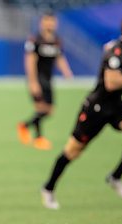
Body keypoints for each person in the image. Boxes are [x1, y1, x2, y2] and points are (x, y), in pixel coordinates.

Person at [41, 14, 122, 209]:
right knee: (72, 152)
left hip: (115, 105)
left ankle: (115, 177)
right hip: (96, 108)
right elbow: (111, 83)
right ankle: (48, 188)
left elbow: (110, 52)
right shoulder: (118, 52)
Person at [17, 12, 73, 150]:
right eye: (47, 21)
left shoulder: (56, 40)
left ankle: (25, 125)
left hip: (48, 79)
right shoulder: (35, 40)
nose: (50, 24)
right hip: (38, 78)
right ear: (42, 22)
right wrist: (33, 82)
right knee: (41, 108)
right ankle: (38, 138)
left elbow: (59, 57)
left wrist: (66, 71)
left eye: (52, 21)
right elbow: (30, 61)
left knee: (49, 110)